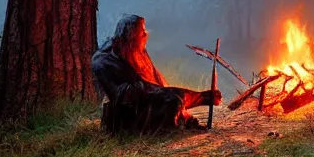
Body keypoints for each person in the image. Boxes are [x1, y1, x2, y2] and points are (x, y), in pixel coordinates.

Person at [92, 15, 222, 134]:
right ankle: (170, 128)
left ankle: (182, 118)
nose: (145, 34)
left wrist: (190, 98)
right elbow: (127, 95)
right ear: (129, 37)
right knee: (172, 100)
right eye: (141, 32)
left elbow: (158, 81)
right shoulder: (103, 60)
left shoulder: (137, 49)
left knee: (174, 99)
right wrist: (197, 97)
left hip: (147, 100)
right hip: (129, 113)